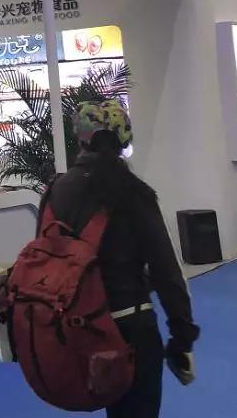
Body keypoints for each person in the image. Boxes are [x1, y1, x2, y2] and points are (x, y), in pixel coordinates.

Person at [46, 101, 197, 418]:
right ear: (125, 140)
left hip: (78, 328)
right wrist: (182, 337)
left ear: (80, 138)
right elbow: (166, 271)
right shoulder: (136, 193)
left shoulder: (57, 191)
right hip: (131, 324)